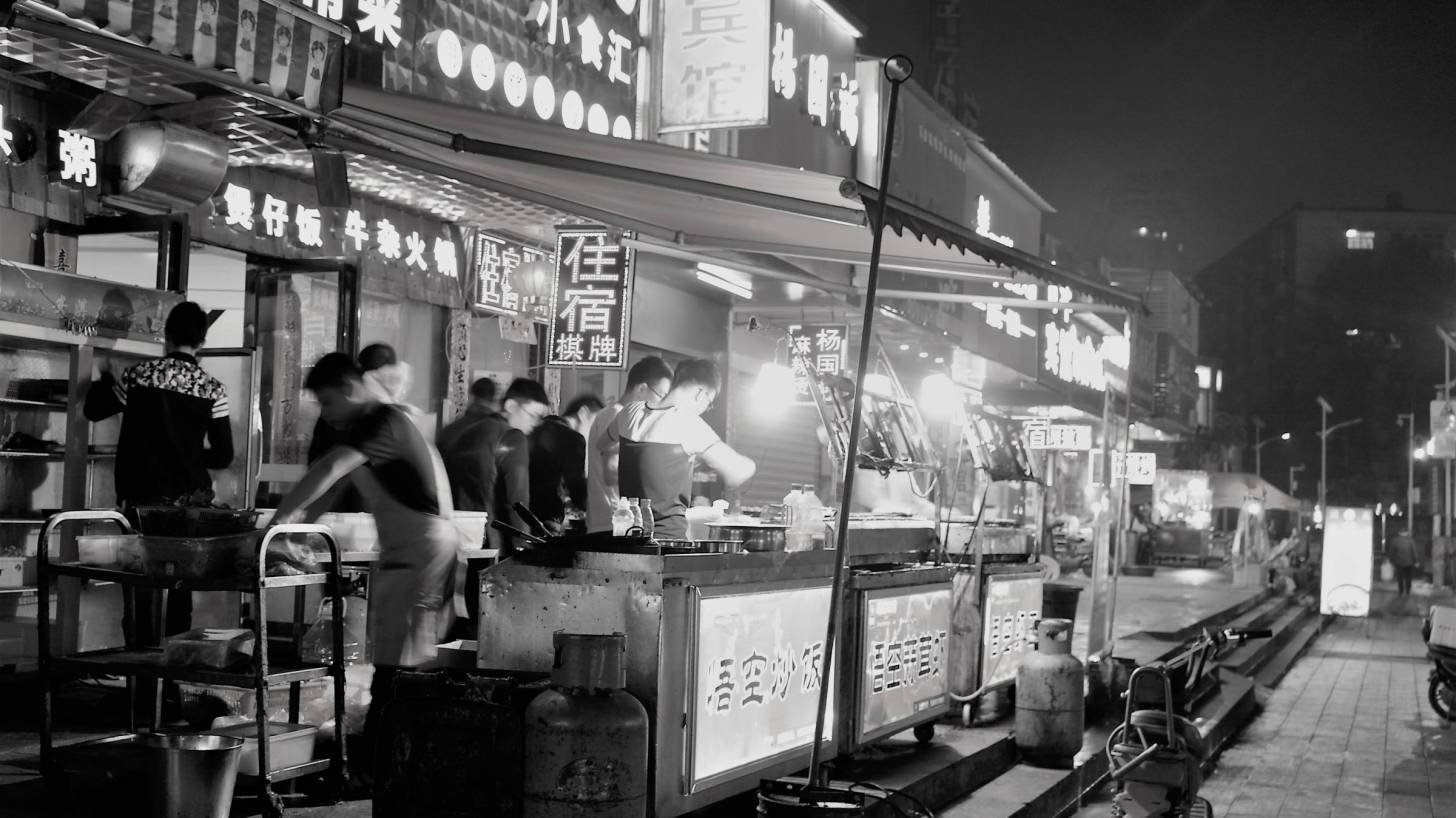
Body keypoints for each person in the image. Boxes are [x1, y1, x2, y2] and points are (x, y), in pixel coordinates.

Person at [270, 353, 462, 782]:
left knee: (400, 668)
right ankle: (380, 764)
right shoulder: (366, 430)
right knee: (394, 663)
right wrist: (299, 533)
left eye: (327, 401)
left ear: (351, 388)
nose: (325, 412)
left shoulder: (383, 422)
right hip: (407, 552)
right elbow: (333, 486)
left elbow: (330, 469)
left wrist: (279, 521)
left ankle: (380, 769)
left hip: (423, 552)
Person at [83, 301, 234, 641]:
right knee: (179, 586)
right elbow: (224, 455)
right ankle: (172, 669)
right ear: (202, 342)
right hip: (188, 507)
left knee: (140, 583)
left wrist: (104, 377)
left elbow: (93, 411)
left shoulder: (138, 377)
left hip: (142, 500)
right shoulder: (212, 389)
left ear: (166, 335)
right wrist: (190, 457)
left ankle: (140, 672)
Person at [605, 358, 756, 539]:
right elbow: (737, 472)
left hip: (627, 538)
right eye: (710, 402)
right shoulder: (687, 423)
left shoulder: (630, 411)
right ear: (700, 393)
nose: (705, 408)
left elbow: (603, 443)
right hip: (666, 541)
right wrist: (751, 465)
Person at [437, 377, 545, 556]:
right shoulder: (513, 437)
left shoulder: (467, 432)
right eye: (533, 415)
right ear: (511, 406)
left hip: (458, 542)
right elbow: (518, 502)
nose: (534, 424)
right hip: (495, 547)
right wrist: (525, 546)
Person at [307, 344, 409, 512]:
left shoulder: (383, 419)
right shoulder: (368, 417)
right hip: (354, 516)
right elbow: (329, 476)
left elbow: (330, 470)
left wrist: (283, 522)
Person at [586, 357, 673, 532]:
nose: (662, 404)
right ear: (642, 388)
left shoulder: (621, 418)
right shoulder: (614, 416)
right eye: (661, 396)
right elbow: (613, 474)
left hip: (618, 524)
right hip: (611, 525)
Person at [529, 393, 604, 534]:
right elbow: (578, 491)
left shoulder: (535, 427)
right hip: (544, 518)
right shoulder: (573, 439)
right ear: (584, 412)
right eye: (596, 423)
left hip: (518, 513)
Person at [1389, 528, 1419, 596]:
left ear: (1399, 533)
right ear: (1407, 532)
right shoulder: (1411, 540)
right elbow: (1414, 552)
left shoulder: (1395, 540)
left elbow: (1391, 551)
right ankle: (1408, 590)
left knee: (1400, 577)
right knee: (1408, 577)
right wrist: (1416, 561)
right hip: (1409, 562)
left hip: (1399, 562)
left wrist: (1391, 560)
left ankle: (1401, 591)